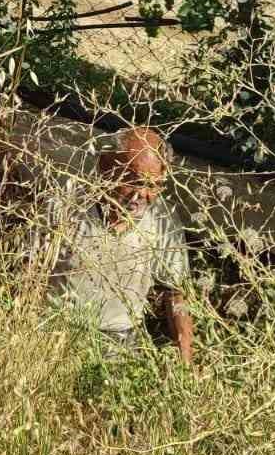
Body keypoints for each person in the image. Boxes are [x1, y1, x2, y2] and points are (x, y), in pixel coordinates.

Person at [48, 127, 196, 364]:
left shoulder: (162, 219)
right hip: (58, 332)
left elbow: (176, 294)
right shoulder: (67, 205)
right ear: (105, 167)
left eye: (152, 185)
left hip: (121, 343)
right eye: (133, 180)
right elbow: (28, 274)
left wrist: (185, 364)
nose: (141, 194)